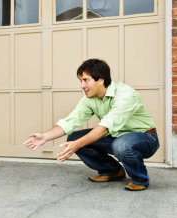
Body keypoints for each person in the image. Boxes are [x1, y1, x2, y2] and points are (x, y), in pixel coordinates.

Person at [24, 59, 159, 191]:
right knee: (74, 138)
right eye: (80, 81)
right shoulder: (90, 99)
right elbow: (71, 121)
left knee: (120, 145)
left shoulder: (126, 94)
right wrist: (45, 137)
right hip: (116, 136)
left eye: (86, 80)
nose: (82, 86)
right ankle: (113, 171)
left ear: (100, 79)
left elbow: (104, 128)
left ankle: (140, 179)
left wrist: (78, 144)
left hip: (145, 137)